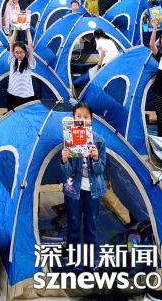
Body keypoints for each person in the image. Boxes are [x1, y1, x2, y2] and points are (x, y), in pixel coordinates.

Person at [60, 103, 106, 253]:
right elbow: (68, 172)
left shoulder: (99, 141)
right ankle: (72, 254)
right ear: (73, 119)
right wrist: (64, 160)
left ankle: (89, 255)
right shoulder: (69, 139)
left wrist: (96, 158)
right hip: (73, 189)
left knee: (90, 224)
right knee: (73, 224)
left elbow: (100, 170)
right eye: (78, 116)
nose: (82, 120)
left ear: (91, 120)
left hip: (93, 190)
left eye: (86, 117)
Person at [7, 28, 36, 111]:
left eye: (21, 52)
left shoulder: (29, 62)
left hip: (25, 96)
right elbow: (11, 43)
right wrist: (15, 29)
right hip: (12, 93)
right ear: (14, 52)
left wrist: (28, 31)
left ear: (25, 52)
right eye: (17, 52)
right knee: (11, 115)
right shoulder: (12, 59)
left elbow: (30, 46)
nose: (19, 55)